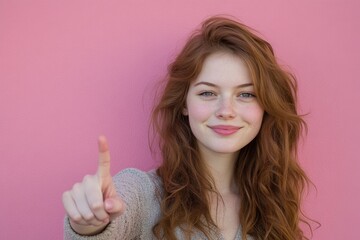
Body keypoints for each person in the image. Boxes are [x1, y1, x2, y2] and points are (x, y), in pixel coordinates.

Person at [62, 16, 313, 240]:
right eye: (207, 93)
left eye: (246, 95)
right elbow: (108, 224)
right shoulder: (142, 193)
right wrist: (89, 225)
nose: (226, 110)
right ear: (184, 103)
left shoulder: (274, 204)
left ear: (266, 106)